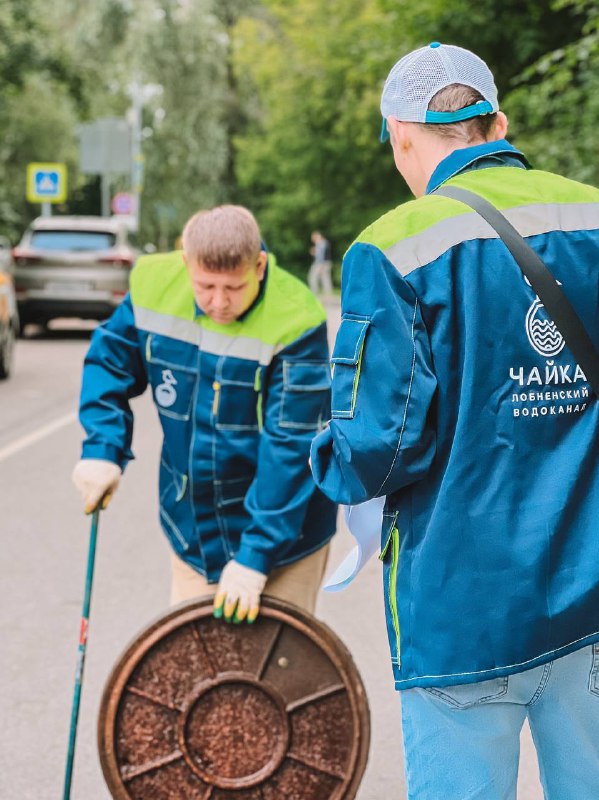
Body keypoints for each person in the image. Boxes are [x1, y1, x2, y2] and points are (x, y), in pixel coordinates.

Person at [310, 42, 599, 799]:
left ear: (400, 133)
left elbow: (380, 449)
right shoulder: (592, 214)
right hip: (591, 592)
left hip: (460, 607)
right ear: (496, 121)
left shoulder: (391, 247)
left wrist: (322, 454)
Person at [72, 204, 336, 624]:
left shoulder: (296, 319)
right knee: (200, 674)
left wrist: (256, 556)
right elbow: (111, 364)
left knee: (276, 676)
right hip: (192, 530)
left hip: (287, 536)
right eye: (205, 285)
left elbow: (291, 446)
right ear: (185, 264)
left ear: (260, 266)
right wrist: (103, 447)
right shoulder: (153, 287)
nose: (219, 302)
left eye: (233, 287)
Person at [307, 230, 333, 297]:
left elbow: (321, 255)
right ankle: (328, 294)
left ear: (317, 236)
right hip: (326, 263)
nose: (312, 239)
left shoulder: (320, 243)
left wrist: (321, 265)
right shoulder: (324, 242)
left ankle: (314, 293)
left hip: (321, 263)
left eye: (313, 237)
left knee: (312, 277)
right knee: (325, 278)